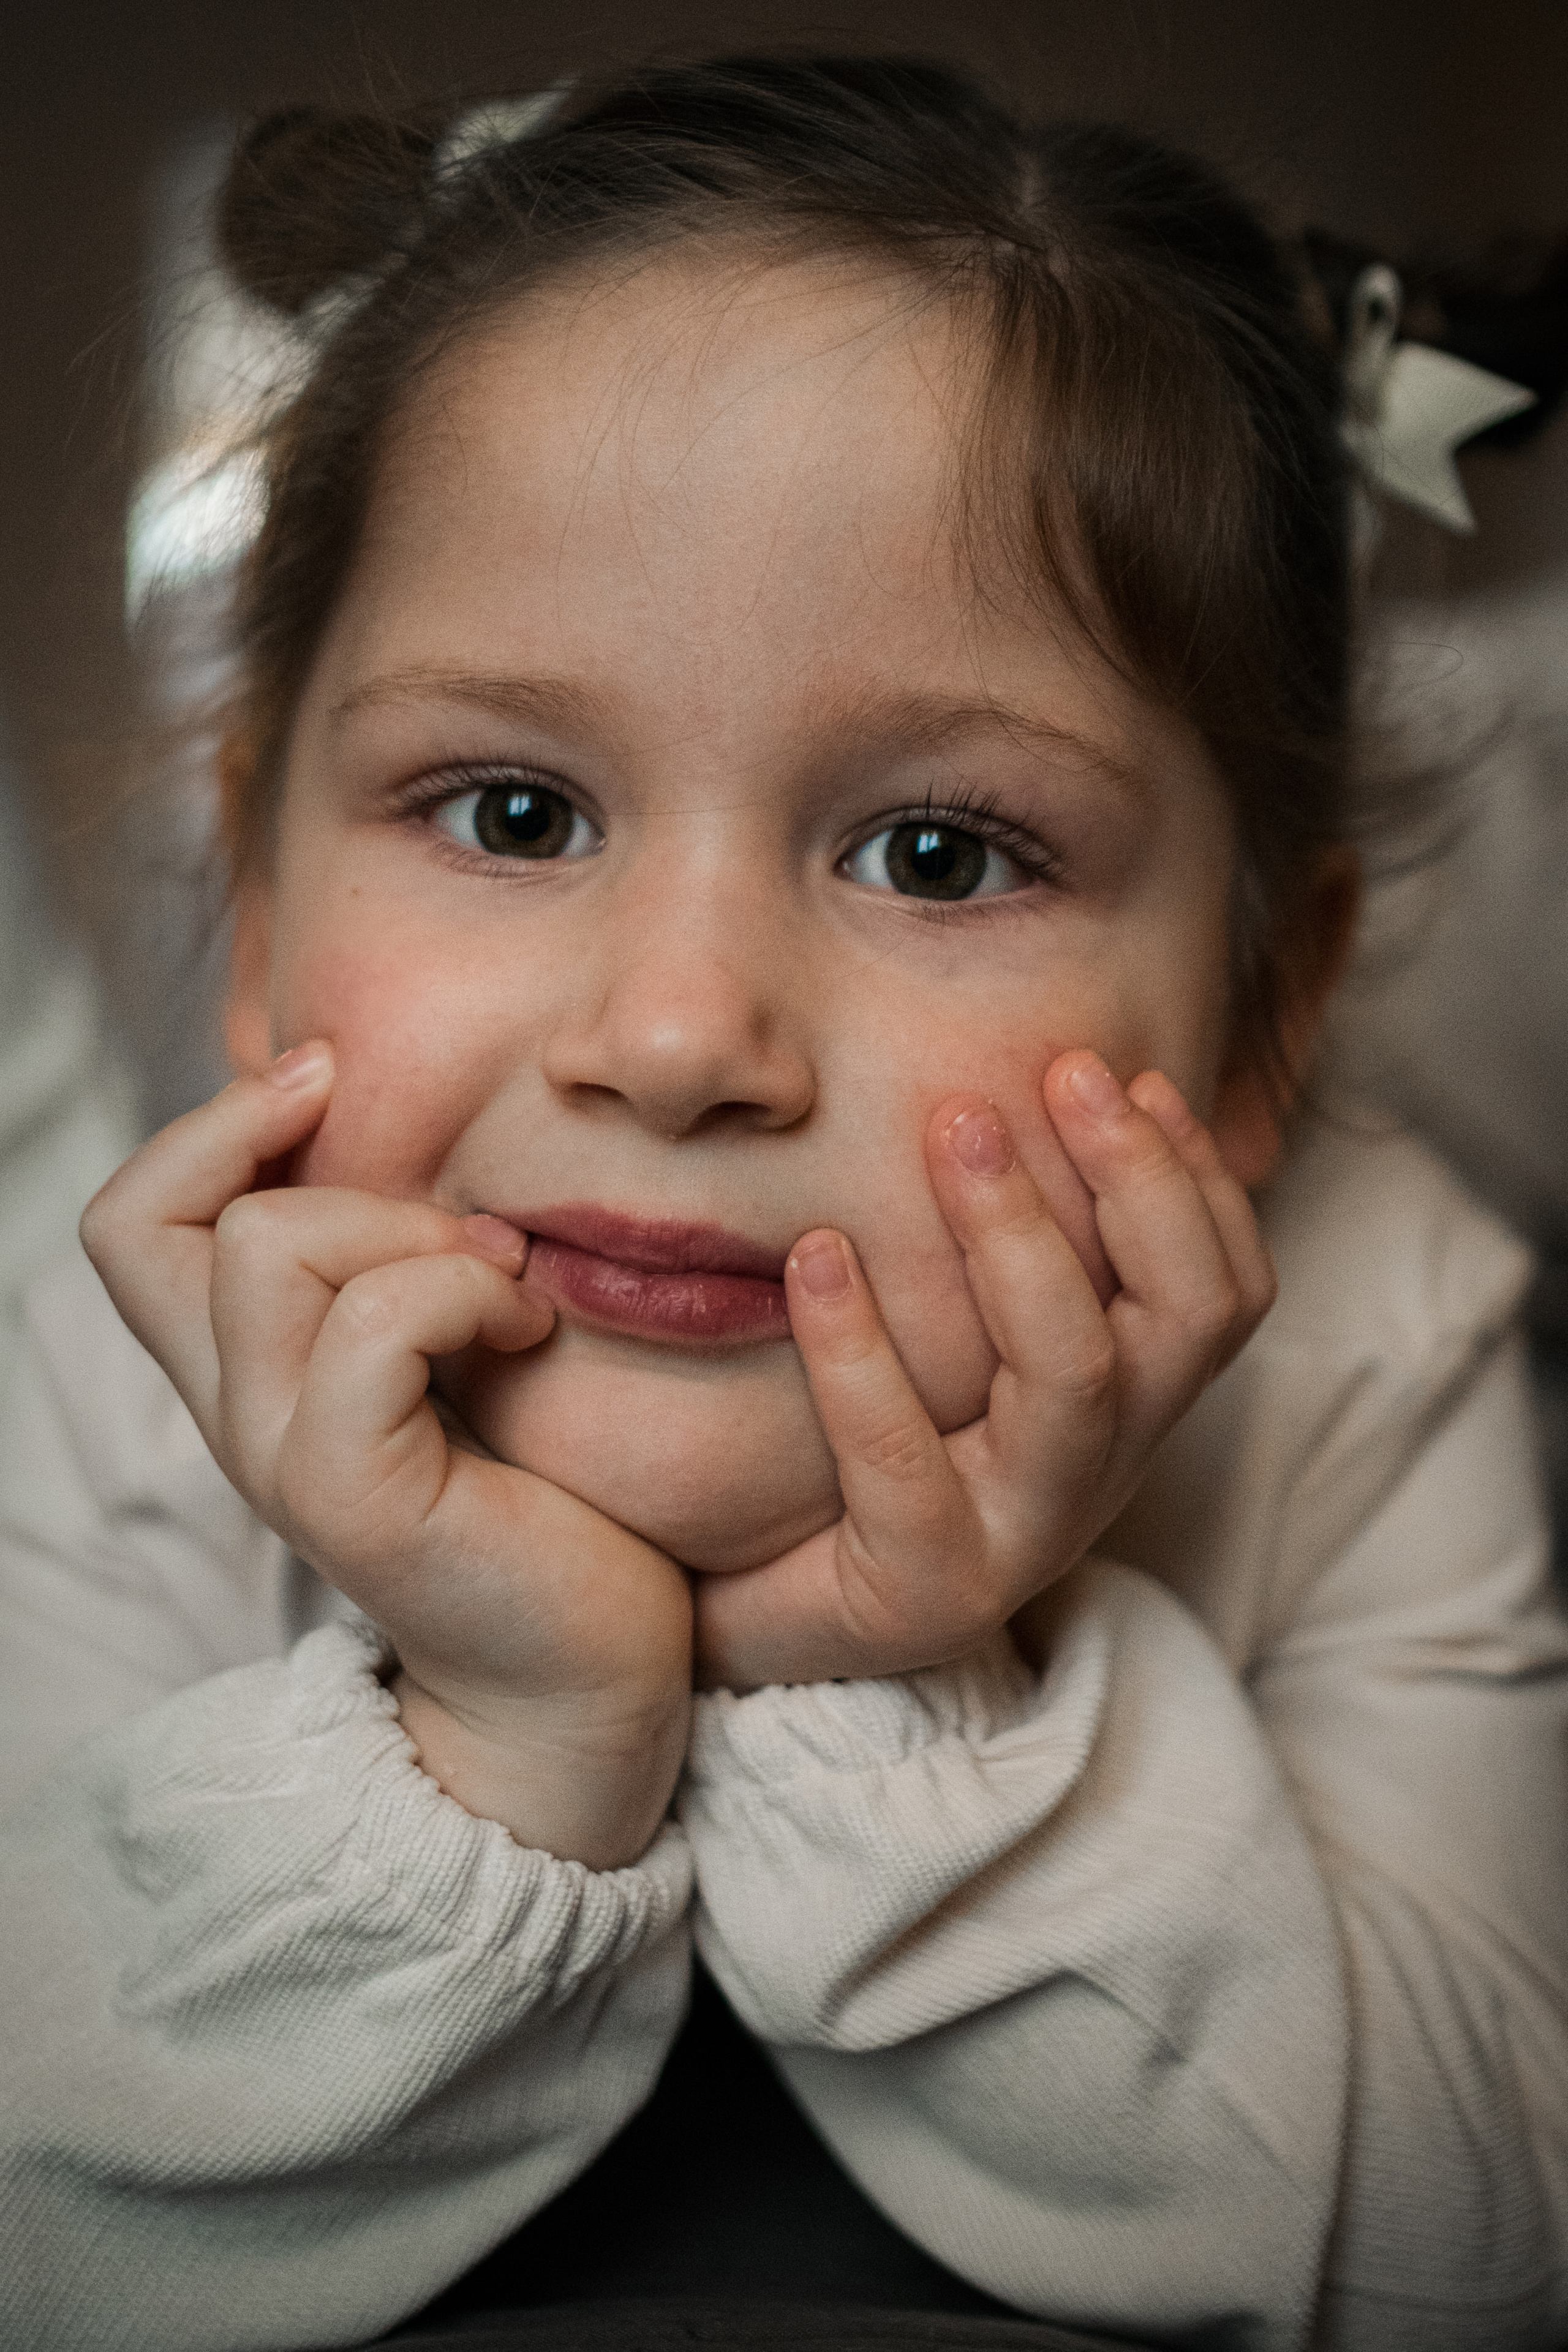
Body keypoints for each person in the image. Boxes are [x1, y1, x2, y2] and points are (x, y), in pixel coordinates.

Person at [2, 55, 1565, 2352]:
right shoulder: (146, 1347)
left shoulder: (1376, 1322)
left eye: (943, 853)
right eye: (515, 814)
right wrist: (506, 1726)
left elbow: (1480, 2251)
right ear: (251, 905)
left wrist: (898, 1684)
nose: (680, 1036)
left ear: (1260, 1029)